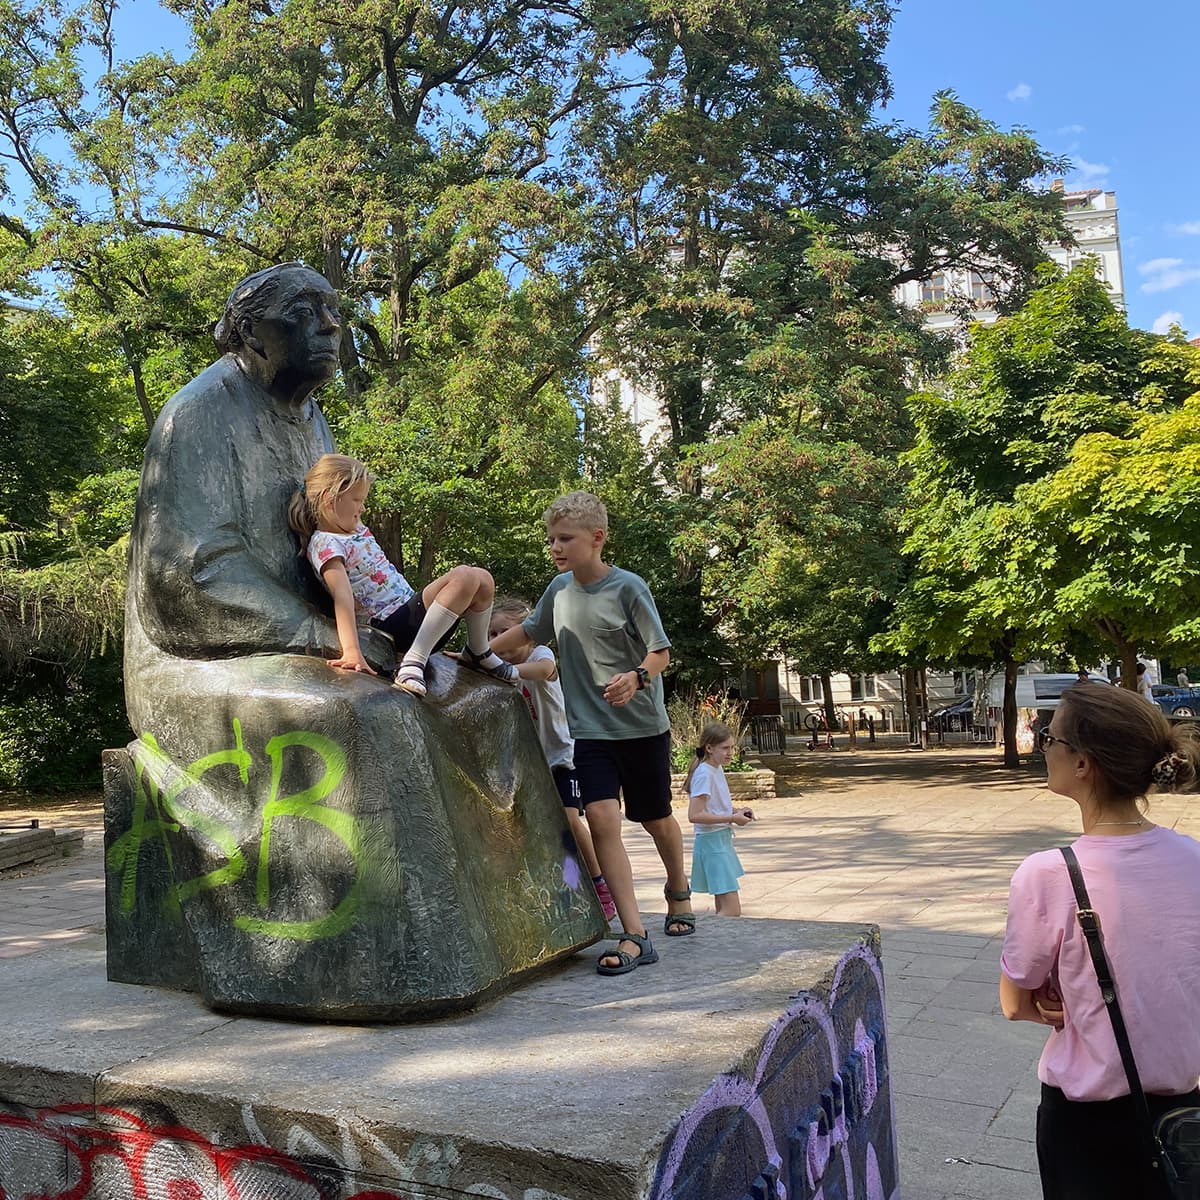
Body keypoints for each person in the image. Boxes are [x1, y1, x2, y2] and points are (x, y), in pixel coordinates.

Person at [999, 684, 1200, 1199]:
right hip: (1184, 1117)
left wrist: (1058, 996)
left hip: (1085, 1125)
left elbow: (1015, 1002)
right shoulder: (1194, 859)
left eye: (1050, 736)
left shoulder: (1048, 873)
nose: (1042, 745)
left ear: (1083, 763)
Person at [490, 491, 694, 976]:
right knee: (602, 820)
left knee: (656, 816)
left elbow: (661, 652)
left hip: (642, 728)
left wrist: (637, 677)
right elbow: (527, 634)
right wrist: (472, 655)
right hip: (590, 733)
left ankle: (678, 888)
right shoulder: (558, 590)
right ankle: (634, 933)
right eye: (552, 539)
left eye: (566, 538)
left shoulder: (628, 588)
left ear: (596, 538)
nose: (556, 547)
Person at [287, 454, 516, 697]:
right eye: (357, 500)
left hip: (415, 618)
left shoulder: (354, 529)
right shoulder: (326, 544)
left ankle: (477, 651)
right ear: (329, 500)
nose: (362, 507)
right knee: (465, 577)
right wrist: (352, 650)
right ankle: (412, 661)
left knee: (483, 579)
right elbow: (342, 597)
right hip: (391, 626)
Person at [478, 597, 617, 921]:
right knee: (540, 829)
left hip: (563, 757)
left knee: (569, 820)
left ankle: (600, 884)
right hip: (533, 762)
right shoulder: (500, 673)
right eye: (492, 634)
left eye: (506, 632)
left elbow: (545, 671)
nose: (499, 640)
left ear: (527, 634)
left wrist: (500, 667)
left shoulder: (540, 655)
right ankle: (567, 885)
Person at [685, 721, 755, 916]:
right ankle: (710, 942)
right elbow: (695, 815)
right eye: (725, 748)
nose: (730, 752)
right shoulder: (704, 773)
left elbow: (714, 805)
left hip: (719, 841)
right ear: (709, 748)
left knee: (724, 908)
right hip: (712, 844)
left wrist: (737, 810)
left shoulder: (715, 768)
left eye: (732, 747)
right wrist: (732, 818)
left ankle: (720, 944)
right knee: (731, 911)